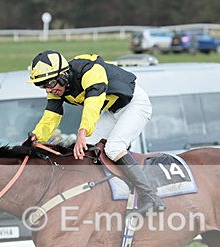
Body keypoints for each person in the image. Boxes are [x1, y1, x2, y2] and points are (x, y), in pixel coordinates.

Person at [27, 50, 165, 215]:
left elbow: (93, 105)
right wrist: (35, 137)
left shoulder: (89, 70)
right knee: (88, 151)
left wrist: (82, 132)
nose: (48, 90)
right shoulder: (58, 87)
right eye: (42, 86)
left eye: (49, 83)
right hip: (111, 111)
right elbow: (51, 115)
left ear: (63, 75)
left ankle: (150, 197)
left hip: (134, 105)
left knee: (113, 148)